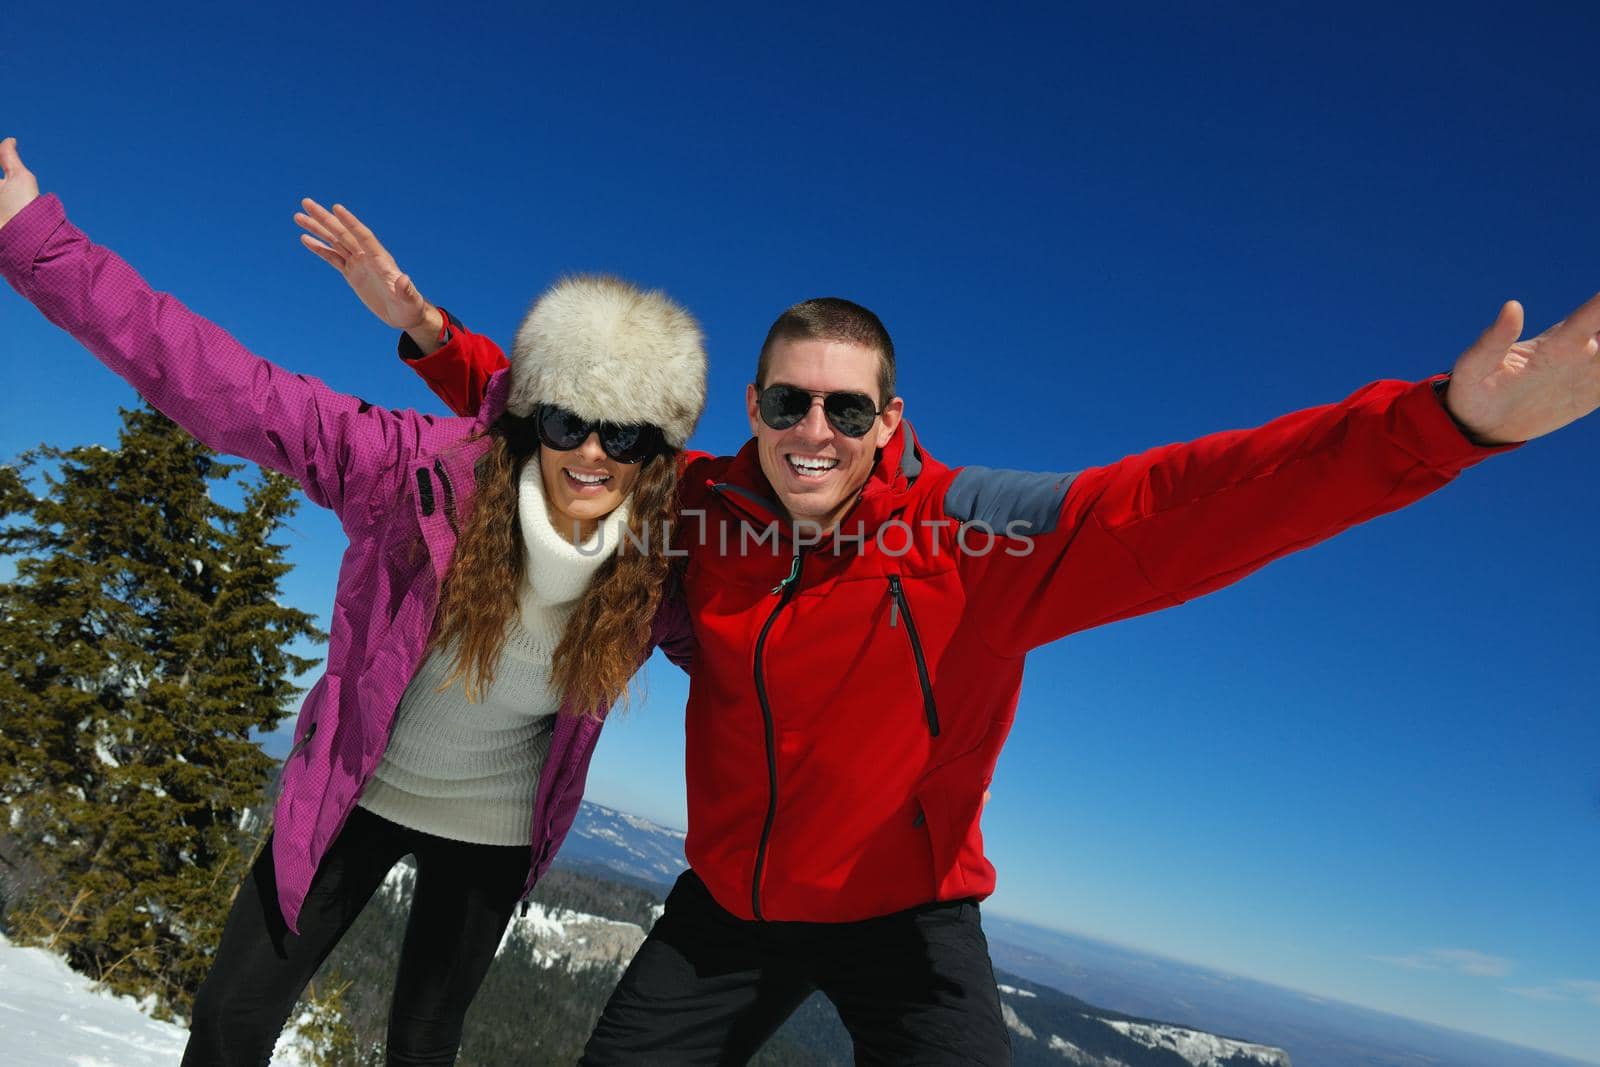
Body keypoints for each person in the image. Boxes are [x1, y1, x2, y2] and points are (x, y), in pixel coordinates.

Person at [327, 202, 1597, 1065]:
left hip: (909, 921)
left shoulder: (974, 538)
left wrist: (1446, 425)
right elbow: (575, 423)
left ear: (888, 419)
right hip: (725, 906)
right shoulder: (702, 507)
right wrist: (428, 334)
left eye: (842, 405)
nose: (810, 428)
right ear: (757, 409)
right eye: (785, 400)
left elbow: (1180, 500)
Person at [0, 138, 706, 1067]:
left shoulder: (661, 570)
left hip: (493, 834)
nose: (591, 454)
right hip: (353, 790)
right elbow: (225, 387)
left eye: (622, 434)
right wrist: (35, 243)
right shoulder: (416, 475)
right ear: (533, 417)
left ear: (654, 449)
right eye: (568, 421)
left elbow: (779, 653)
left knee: (423, 1043)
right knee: (231, 1019)